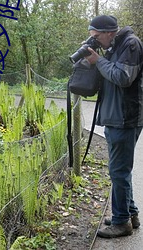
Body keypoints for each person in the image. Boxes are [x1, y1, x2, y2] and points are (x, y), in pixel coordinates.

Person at [85, 15, 143, 238]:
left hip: (125, 118)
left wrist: (98, 61)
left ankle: (121, 223)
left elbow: (122, 77)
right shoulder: (114, 46)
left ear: (109, 32)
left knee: (118, 171)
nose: (96, 41)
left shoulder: (131, 44)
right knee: (120, 171)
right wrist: (95, 59)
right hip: (115, 117)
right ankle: (130, 214)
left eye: (97, 37)